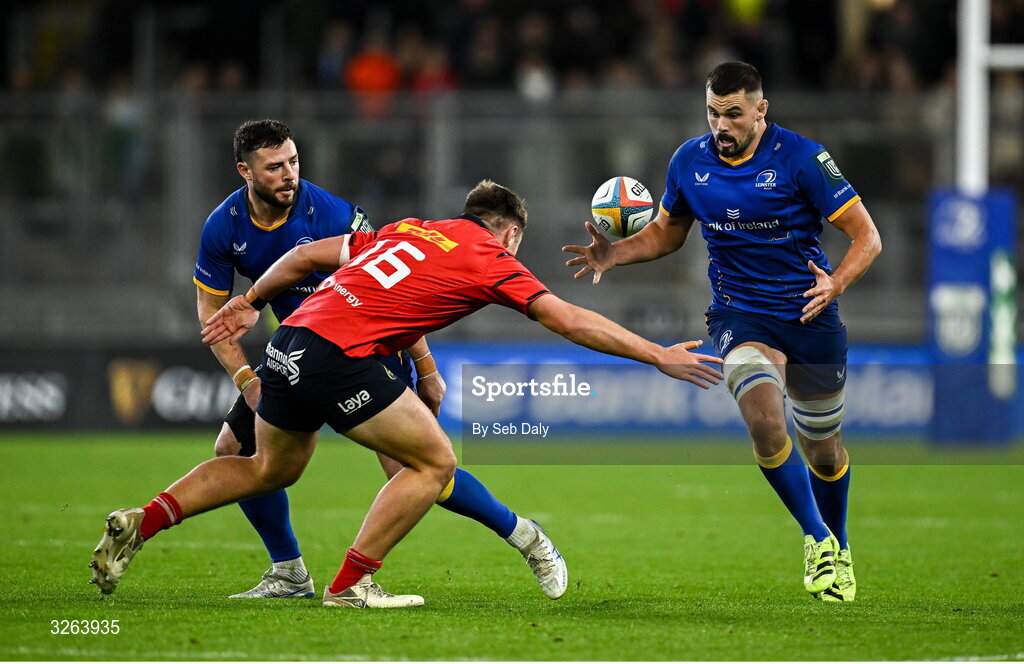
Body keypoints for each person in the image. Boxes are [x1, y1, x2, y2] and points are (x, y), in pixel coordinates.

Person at [90, 180, 724, 608]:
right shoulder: (490, 255)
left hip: (293, 340)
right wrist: (657, 353)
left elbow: (310, 255)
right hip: (342, 357)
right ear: (509, 235)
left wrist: (251, 302)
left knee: (267, 467)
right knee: (434, 462)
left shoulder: (413, 229)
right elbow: (567, 318)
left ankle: (140, 520)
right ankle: (351, 585)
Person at [190, 120, 566, 600]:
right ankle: (288, 572)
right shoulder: (223, 226)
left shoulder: (335, 215)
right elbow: (215, 313)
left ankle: (524, 536)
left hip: (368, 349)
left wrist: (427, 371)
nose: (290, 174)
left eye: (294, 161)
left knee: (420, 469)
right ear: (245, 171)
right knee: (233, 449)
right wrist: (246, 379)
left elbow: (396, 291)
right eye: (275, 167)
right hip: (303, 347)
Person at [564, 62, 881, 602]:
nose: (721, 125)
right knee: (762, 416)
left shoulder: (803, 158)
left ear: (761, 110)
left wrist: (836, 284)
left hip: (809, 314)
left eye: (733, 114)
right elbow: (667, 234)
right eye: (713, 113)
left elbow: (867, 237)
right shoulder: (689, 161)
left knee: (823, 450)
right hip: (738, 315)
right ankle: (817, 538)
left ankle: (840, 544)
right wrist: (615, 254)